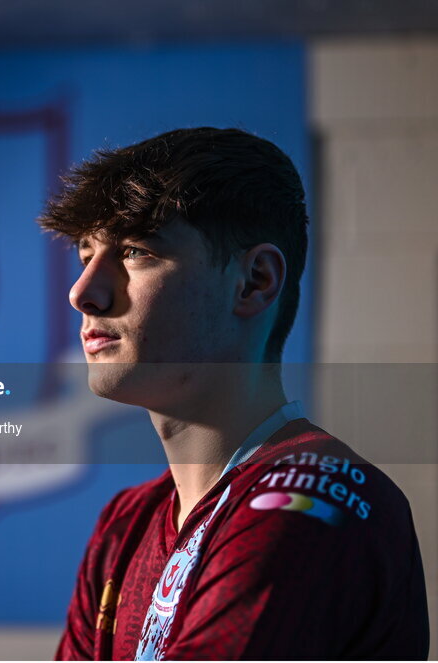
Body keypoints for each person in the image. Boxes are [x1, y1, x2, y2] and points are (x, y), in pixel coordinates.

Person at [38, 127, 429, 660]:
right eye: (86, 254)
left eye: (135, 251)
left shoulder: (312, 496)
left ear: (254, 281)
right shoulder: (125, 524)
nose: (83, 292)